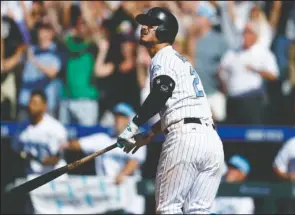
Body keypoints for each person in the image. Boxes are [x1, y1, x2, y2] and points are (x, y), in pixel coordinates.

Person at [116, 7, 225, 214]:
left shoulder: (163, 57)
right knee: (199, 210)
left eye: (150, 23)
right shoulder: (179, 60)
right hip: (210, 140)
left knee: (169, 208)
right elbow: (179, 105)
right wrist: (149, 134)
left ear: (164, 30)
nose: (144, 27)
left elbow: (161, 92)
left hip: (184, 139)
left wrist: (133, 125)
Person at [62, 103, 147, 214]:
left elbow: (134, 162)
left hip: (129, 199)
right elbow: (76, 145)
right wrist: (62, 142)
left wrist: (123, 174)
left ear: (129, 120)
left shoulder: (137, 139)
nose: (118, 120)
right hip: (107, 197)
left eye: (122, 117)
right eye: (116, 116)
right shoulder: (102, 139)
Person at [219, 21, 279, 125]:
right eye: (244, 32)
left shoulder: (263, 53)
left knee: (251, 134)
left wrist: (256, 70)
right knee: (232, 136)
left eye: (249, 32)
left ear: (255, 36)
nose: (246, 36)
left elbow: (274, 75)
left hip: (252, 100)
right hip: (233, 100)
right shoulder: (233, 52)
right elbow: (221, 68)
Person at [12, 89, 68, 175]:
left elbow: (57, 158)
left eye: (35, 103)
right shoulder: (21, 127)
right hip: (31, 176)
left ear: (44, 106)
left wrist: (38, 159)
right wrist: (24, 156)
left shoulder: (56, 127)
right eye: (30, 102)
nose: (30, 106)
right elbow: (16, 151)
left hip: (54, 176)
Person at [192, 2, 228, 123]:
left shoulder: (220, 40)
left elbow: (226, 66)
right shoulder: (190, 39)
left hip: (214, 93)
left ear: (208, 19)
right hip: (193, 96)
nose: (196, 19)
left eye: (200, 16)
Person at [18, 22, 62, 120]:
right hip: (26, 101)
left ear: (52, 33)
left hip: (45, 105)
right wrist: (21, 53)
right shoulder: (31, 49)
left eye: (46, 30)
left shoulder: (55, 51)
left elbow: (52, 74)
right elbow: (19, 70)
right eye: (41, 30)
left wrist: (34, 61)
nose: (42, 33)